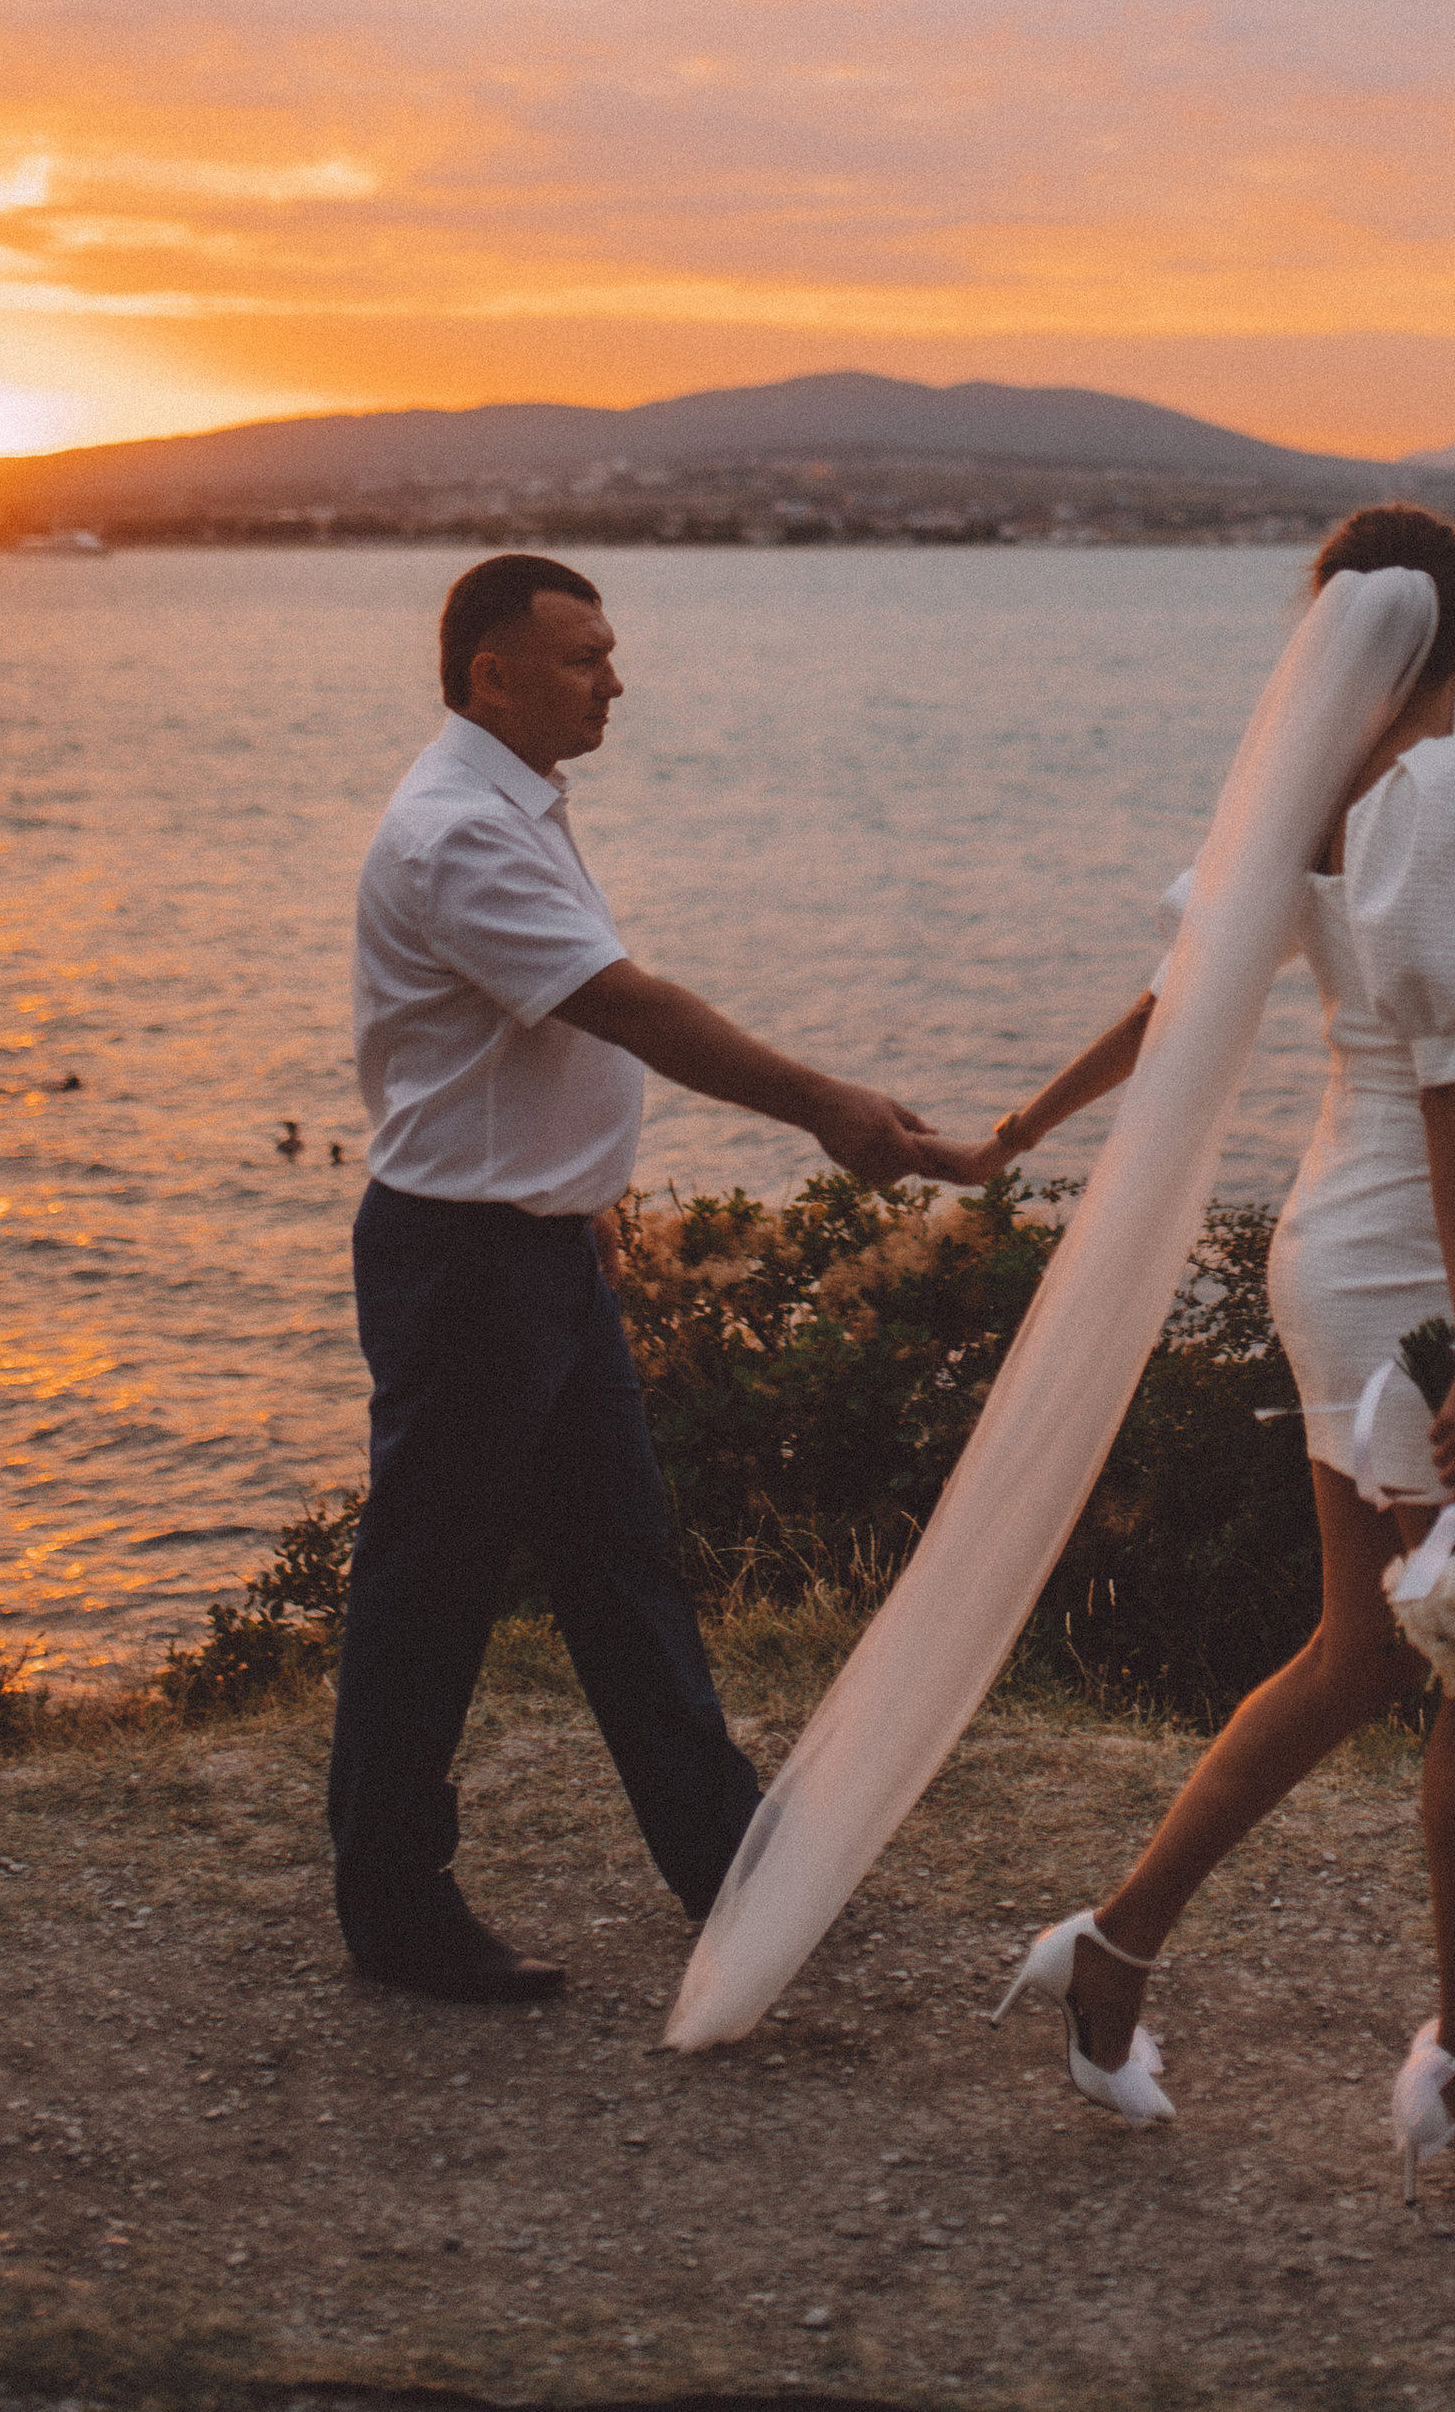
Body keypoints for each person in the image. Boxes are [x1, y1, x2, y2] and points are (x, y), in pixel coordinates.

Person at [978, 506, 1455, 2209]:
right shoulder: (1453, 795)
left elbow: (1180, 1001)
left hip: (1329, 1247)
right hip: (1415, 1269)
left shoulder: (1307, 800)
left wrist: (1018, 1125)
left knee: (1360, 1650)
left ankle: (1112, 1955)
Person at [328, 551, 983, 2002]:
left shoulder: (510, 804)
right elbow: (624, 1005)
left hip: (535, 1248)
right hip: (469, 1268)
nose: (615, 680)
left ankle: (732, 1865)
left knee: (624, 1567)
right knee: (430, 1589)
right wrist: (824, 1102)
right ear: (492, 674)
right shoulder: (461, 834)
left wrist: (583, 1202)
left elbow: (533, 1047)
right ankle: (392, 1902)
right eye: (583, 658)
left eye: (610, 653)